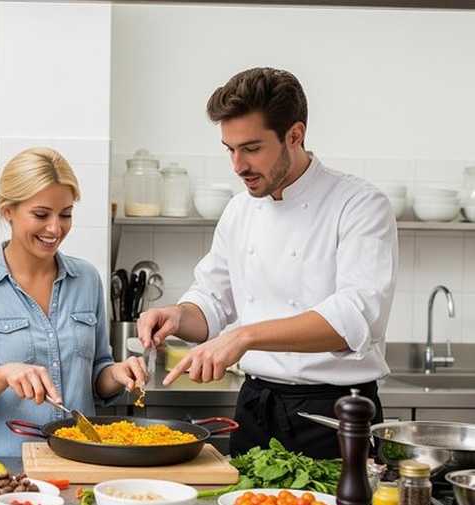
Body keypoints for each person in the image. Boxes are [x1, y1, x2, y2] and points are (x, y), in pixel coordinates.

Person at [137, 67, 398, 459]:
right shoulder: (240, 209)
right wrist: (176, 314)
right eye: (230, 149)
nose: (238, 165)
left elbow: (356, 318)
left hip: (334, 415)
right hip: (256, 409)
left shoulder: (359, 205)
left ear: (295, 135)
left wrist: (243, 337)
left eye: (252, 148)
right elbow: (211, 302)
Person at [0, 147, 147, 456]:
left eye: (65, 214)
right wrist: (4, 374)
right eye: (41, 214)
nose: (55, 228)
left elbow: (97, 375)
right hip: (3, 469)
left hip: (78, 461)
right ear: (8, 210)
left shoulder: (87, 279)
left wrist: (116, 374)